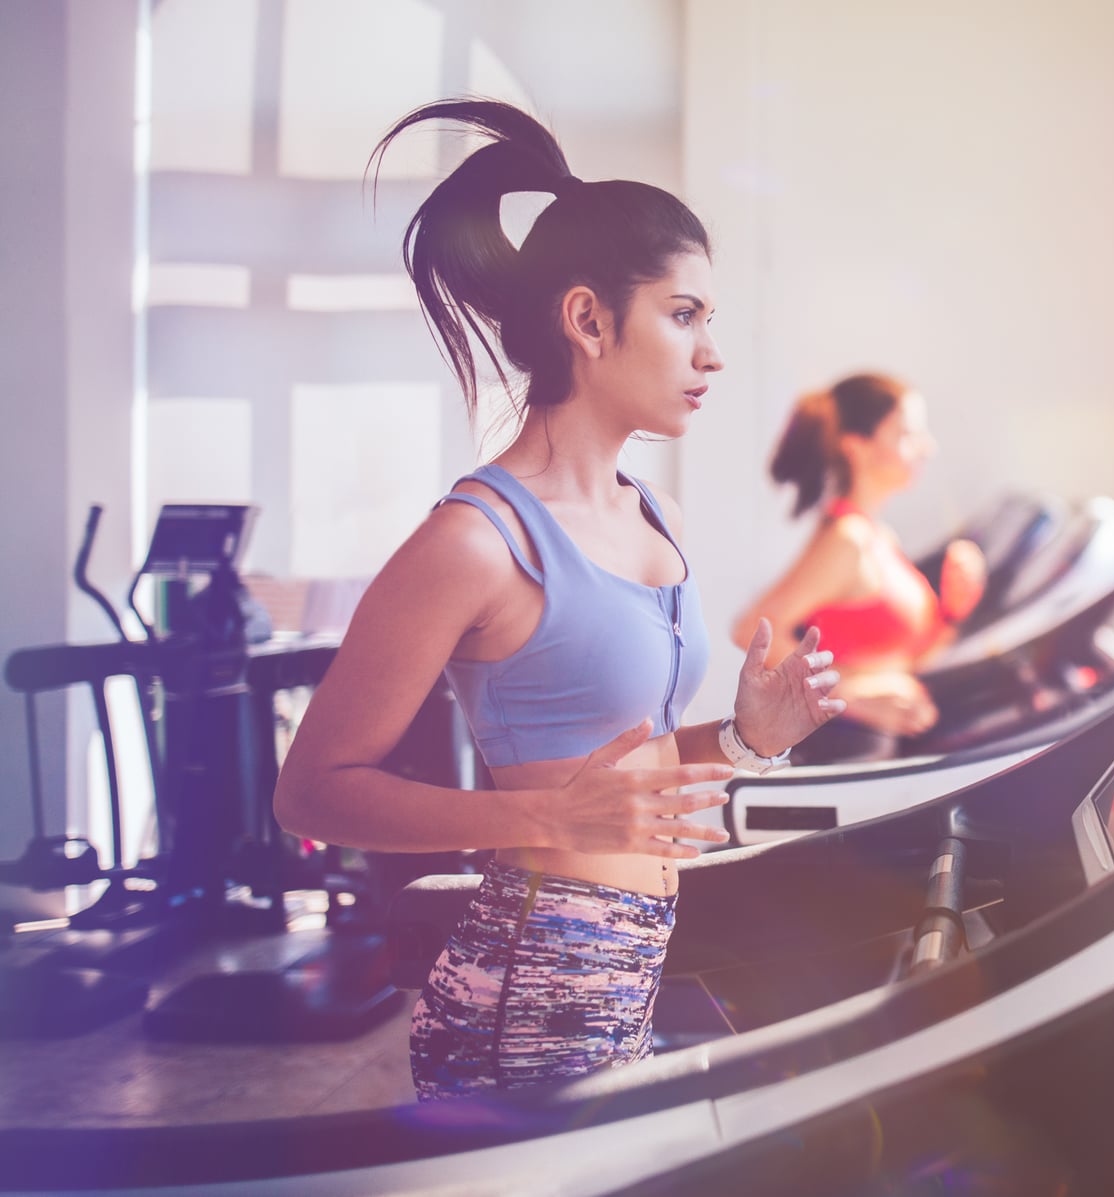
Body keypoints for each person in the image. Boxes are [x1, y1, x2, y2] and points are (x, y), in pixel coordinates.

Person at [271, 100, 844, 1101]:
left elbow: (625, 782)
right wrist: (537, 815)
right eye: (682, 315)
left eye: (710, 321)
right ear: (586, 320)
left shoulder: (647, 513)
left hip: (625, 983)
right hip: (524, 1008)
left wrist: (749, 739)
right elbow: (310, 793)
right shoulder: (474, 540)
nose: (710, 353)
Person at [731, 374, 986, 764]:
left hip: (880, 759)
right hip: (841, 760)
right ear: (858, 447)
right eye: (907, 433)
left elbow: (904, 664)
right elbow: (751, 629)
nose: (927, 447)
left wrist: (956, 609)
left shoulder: (879, 537)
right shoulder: (847, 540)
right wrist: (849, 692)